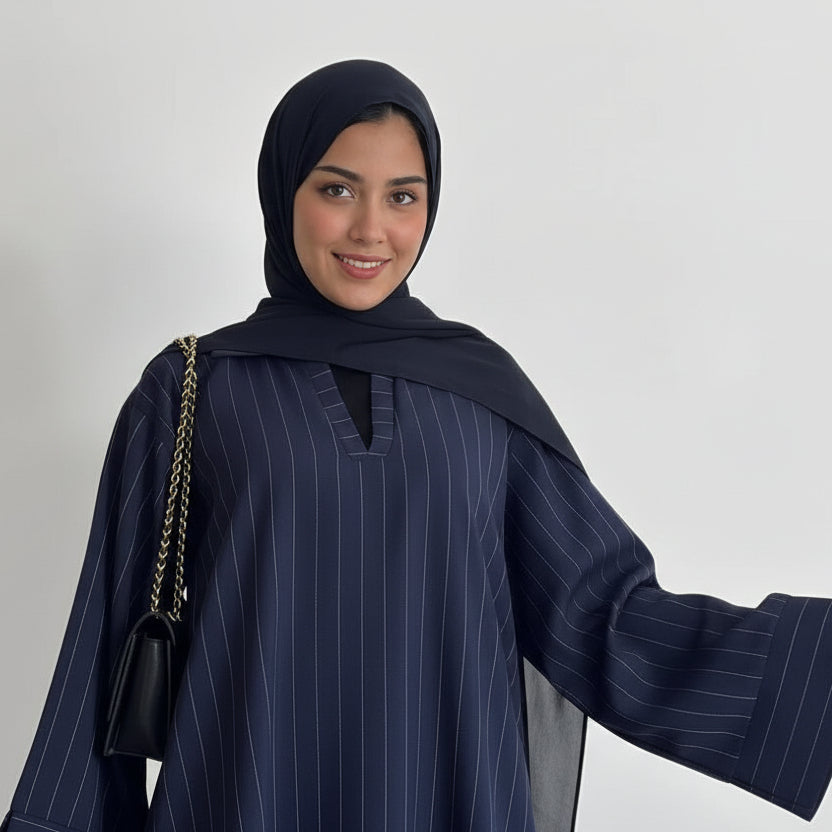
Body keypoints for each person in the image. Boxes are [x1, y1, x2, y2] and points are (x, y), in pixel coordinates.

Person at [2, 59, 830, 832]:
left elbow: (602, 615)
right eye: (337, 189)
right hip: (246, 794)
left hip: (448, 796)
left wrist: (811, 665)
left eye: (403, 196)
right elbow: (103, 649)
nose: (371, 230)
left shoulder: (480, 394)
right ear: (283, 191)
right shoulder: (194, 389)